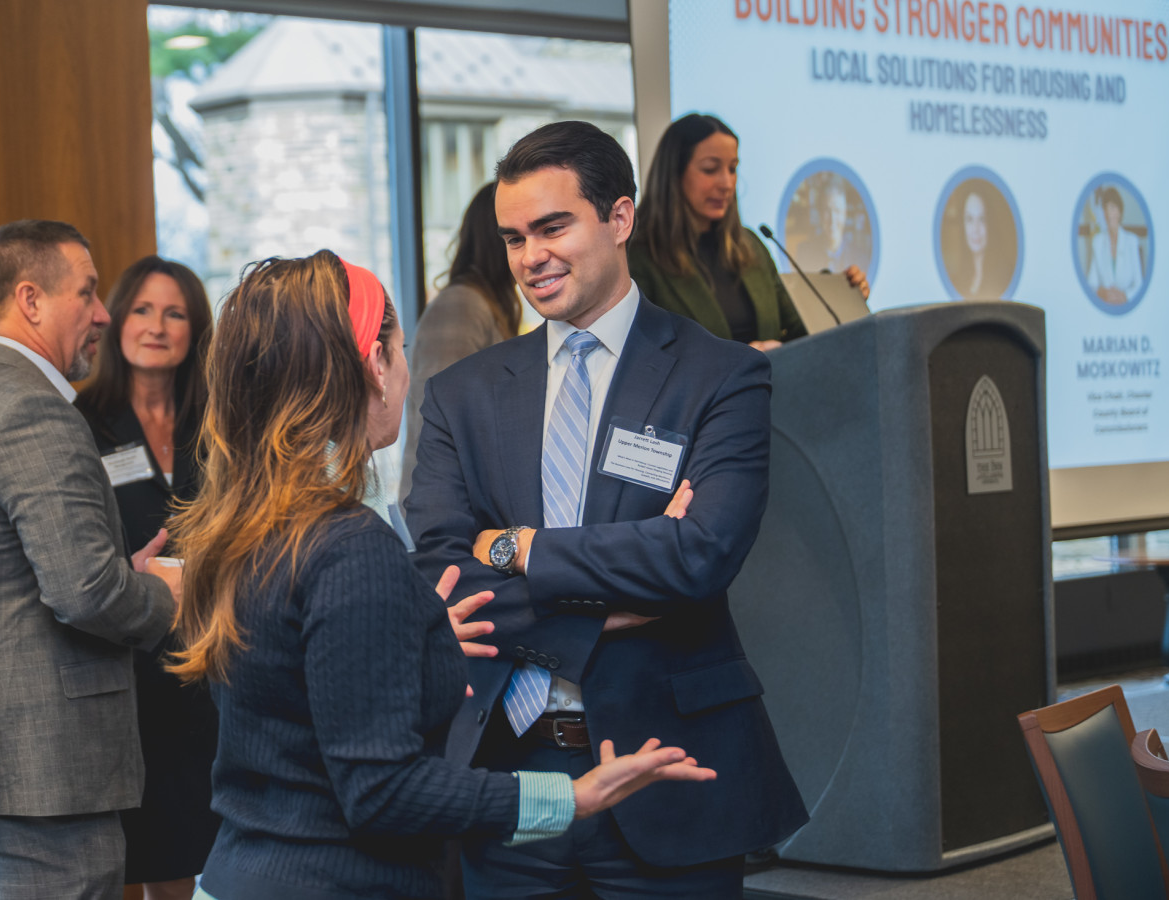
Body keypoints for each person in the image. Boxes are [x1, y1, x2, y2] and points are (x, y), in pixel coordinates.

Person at [170, 249, 717, 900]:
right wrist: (570, 797)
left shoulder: (245, 531)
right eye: (400, 349)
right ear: (375, 366)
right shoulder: (349, 549)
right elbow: (382, 791)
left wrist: (417, 644)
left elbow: (301, 702)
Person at [407, 121, 808, 898]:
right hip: (510, 773)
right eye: (515, 236)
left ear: (619, 218)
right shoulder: (464, 395)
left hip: (669, 762)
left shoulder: (719, 378)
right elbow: (443, 568)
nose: (531, 256)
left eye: (554, 226)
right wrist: (613, 601)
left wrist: (514, 547)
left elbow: (699, 556)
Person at [0, 220, 185, 900]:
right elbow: (86, 594)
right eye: (86, 294)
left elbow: (7, 580)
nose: (102, 314)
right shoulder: (36, 412)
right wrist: (168, 592)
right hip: (42, 773)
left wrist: (124, 573)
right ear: (30, 300)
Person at [74, 256, 220, 900]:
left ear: (195, 330)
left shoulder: (216, 424)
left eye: (175, 312)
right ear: (116, 320)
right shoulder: (82, 422)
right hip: (119, 665)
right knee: (126, 852)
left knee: (185, 845)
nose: (156, 326)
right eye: (142, 309)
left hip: (202, 665)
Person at [628, 114, 868, 351]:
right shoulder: (639, 257)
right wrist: (740, 361)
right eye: (711, 169)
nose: (727, 183)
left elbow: (799, 331)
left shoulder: (750, 245)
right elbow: (645, 358)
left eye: (732, 169)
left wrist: (842, 298)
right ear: (674, 174)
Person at [399, 181, 523, 501]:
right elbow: (445, 422)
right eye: (517, 237)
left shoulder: (485, 302)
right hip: (443, 505)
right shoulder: (461, 306)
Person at [1088, 186, 1142, 305]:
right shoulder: (1097, 242)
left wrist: (1124, 296)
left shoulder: (1132, 241)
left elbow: (1139, 284)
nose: (1108, 213)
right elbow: (1092, 283)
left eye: (1112, 208)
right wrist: (1102, 292)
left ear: (1119, 211)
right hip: (1103, 307)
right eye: (1105, 208)